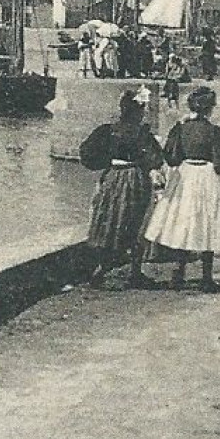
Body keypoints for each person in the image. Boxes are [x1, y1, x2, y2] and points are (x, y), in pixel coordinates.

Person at [144, 86, 220, 292]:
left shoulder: (180, 128)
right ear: (209, 108)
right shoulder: (215, 131)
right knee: (208, 222)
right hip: (207, 176)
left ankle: (178, 274)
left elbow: (170, 157)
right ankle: (206, 277)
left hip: (185, 176)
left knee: (182, 222)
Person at [79, 88, 165, 289]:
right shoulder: (142, 134)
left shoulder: (108, 130)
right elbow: (156, 158)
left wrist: (107, 162)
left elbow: (87, 153)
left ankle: (101, 269)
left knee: (110, 220)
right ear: (138, 112)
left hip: (112, 178)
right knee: (136, 223)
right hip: (135, 178)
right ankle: (134, 272)